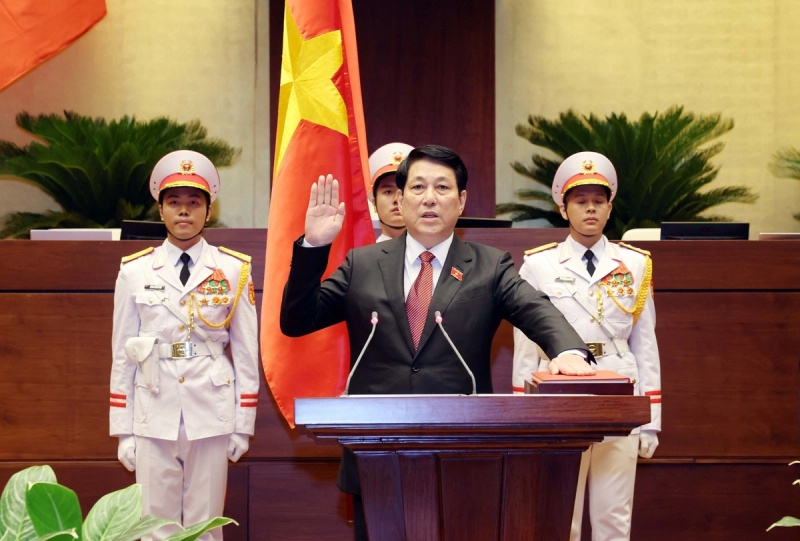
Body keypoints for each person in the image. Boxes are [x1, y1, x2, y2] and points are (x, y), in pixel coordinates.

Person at [280, 144, 595, 540]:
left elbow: (535, 308)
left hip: (464, 452)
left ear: (461, 200)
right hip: (376, 452)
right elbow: (296, 321)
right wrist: (314, 247)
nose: (429, 198)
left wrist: (567, 350)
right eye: (418, 187)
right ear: (400, 197)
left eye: (443, 187)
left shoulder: (489, 266)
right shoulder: (362, 264)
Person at [109, 150, 260, 541]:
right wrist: (123, 430)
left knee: (205, 524)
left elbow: (245, 353)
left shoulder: (232, 269)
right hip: (153, 406)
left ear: (208, 211)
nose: (184, 212)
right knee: (153, 525)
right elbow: (122, 354)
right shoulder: (135, 270)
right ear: (160, 209)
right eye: (174, 203)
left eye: (194, 203)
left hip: (211, 407)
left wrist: (243, 425)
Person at [511, 151, 662, 541]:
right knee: (564, 517)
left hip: (620, 391)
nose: (590, 209)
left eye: (598, 201)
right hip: (559, 392)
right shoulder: (539, 266)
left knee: (614, 517)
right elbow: (527, 346)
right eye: (580, 201)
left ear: (610, 208)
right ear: (563, 208)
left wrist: (652, 419)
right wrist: (522, 419)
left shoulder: (635, 264)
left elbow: (646, 345)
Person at [367, 142, 413, 241]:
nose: (396, 200)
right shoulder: (359, 256)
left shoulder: (436, 255)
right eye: (388, 192)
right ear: (374, 203)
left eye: (403, 192)